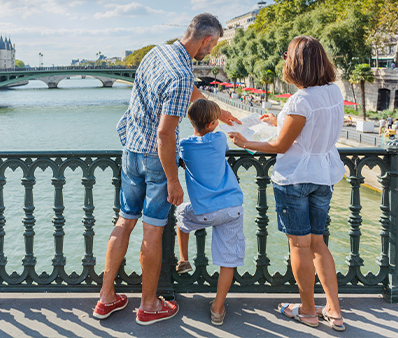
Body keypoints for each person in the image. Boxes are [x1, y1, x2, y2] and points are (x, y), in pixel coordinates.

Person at [93, 13, 240, 326]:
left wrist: (219, 111)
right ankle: (149, 305)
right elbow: (164, 134)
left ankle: (106, 297)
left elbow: (188, 94)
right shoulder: (182, 76)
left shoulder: (156, 52)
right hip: (155, 159)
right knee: (152, 229)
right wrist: (174, 181)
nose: (210, 52)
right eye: (212, 46)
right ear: (206, 40)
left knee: (124, 220)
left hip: (130, 149)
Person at [229, 36, 346, 332]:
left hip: (295, 178)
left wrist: (247, 142)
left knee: (299, 246)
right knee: (319, 244)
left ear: (296, 63)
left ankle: (307, 310)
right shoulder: (333, 92)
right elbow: (306, 130)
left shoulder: (300, 100)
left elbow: (281, 146)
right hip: (323, 175)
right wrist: (278, 120)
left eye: (286, 56)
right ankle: (334, 309)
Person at [175, 99, 245, 326]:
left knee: (181, 215)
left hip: (205, 211)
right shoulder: (219, 138)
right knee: (228, 260)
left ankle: (184, 259)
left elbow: (180, 156)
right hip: (232, 208)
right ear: (214, 123)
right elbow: (221, 145)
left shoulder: (184, 145)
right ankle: (217, 309)